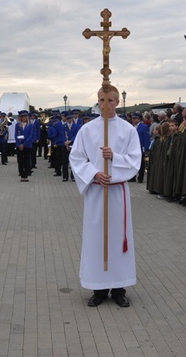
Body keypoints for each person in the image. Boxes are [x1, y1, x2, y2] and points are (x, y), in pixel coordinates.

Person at [69, 85, 141, 308]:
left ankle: (119, 287)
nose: (105, 104)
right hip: (96, 192)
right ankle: (98, 288)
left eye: (110, 100)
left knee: (118, 239)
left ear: (117, 102)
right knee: (96, 238)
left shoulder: (128, 130)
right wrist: (94, 174)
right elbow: (77, 158)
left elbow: (135, 160)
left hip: (117, 193)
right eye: (101, 100)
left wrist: (115, 158)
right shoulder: (87, 130)